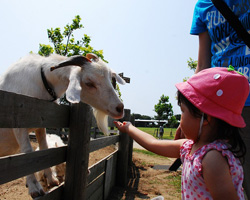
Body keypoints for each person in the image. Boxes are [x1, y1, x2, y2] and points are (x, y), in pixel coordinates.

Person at [115, 67, 249, 199]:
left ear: (206, 118)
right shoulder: (190, 147)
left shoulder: (212, 159)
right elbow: (153, 143)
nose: (180, 119)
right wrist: (129, 128)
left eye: (183, 111)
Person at [190, 0, 250, 197]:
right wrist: (191, 110)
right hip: (220, 107)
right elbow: (203, 66)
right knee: (226, 181)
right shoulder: (204, 5)